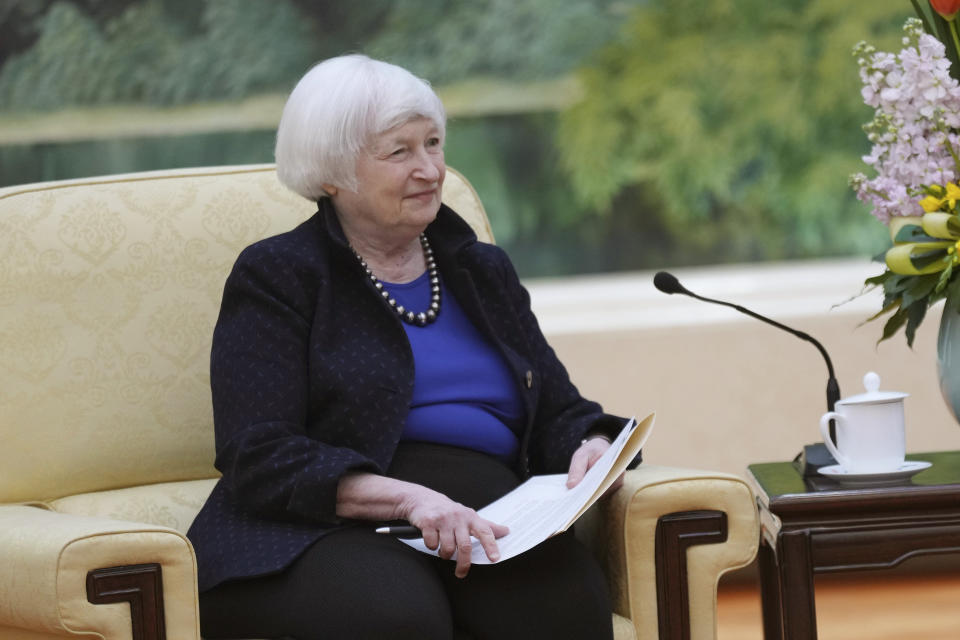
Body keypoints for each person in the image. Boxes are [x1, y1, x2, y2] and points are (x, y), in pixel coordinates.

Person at [187, 54, 636, 640]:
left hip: (482, 516)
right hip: (320, 526)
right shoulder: (280, 274)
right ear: (331, 173)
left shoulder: (481, 270)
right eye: (400, 152)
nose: (429, 170)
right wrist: (407, 500)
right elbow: (258, 453)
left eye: (433, 143)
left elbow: (558, 409)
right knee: (398, 617)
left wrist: (592, 444)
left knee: (565, 602)